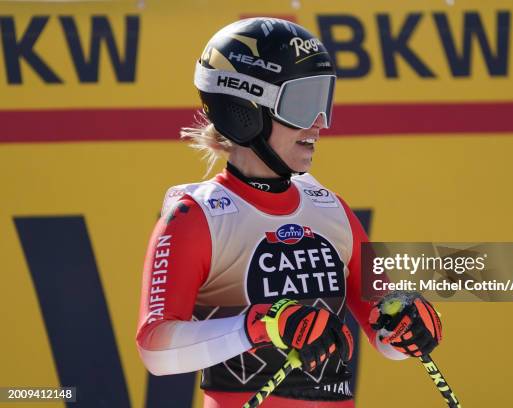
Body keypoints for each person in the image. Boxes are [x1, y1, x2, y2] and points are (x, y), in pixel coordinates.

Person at [136, 18, 442, 408]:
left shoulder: (329, 208)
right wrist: (263, 325)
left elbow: (385, 336)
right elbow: (156, 350)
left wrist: (407, 324)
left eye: (322, 101)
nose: (319, 123)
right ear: (244, 109)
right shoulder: (197, 217)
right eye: (301, 104)